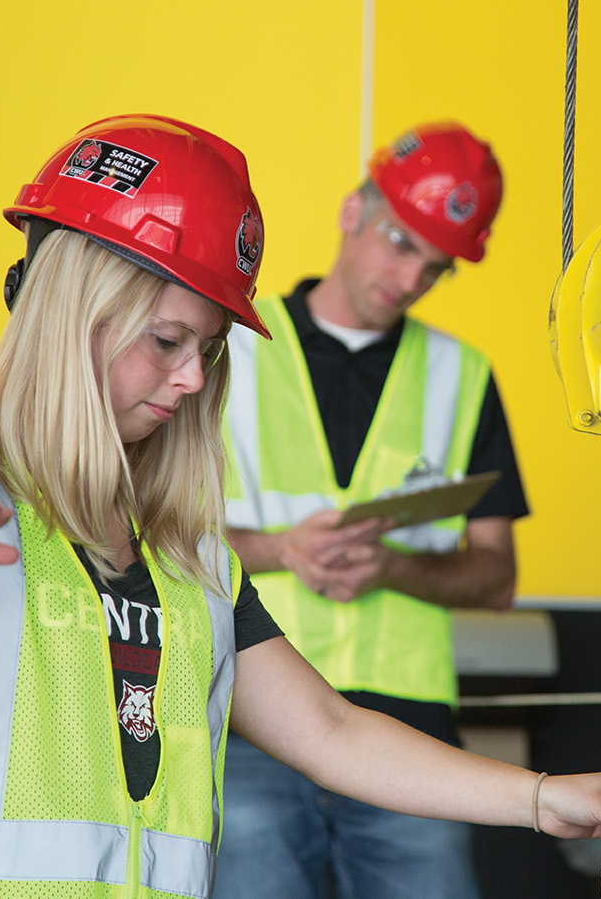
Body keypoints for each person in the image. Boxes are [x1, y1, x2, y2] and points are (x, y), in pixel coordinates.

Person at [0, 114, 601, 899]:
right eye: (166, 342)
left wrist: (540, 798)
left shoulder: (183, 560)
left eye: (205, 351)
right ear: (69, 315)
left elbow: (330, 733)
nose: (196, 380)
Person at [215, 121, 526, 899]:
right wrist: (282, 549)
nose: (410, 275)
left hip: (411, 733)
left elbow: (495, 578)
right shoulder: (225, 350)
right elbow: (147, 533)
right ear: (353, 211)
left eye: (435, 266)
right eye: (400, 241)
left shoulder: (464, 375)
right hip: (254, 715)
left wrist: (391, 566)